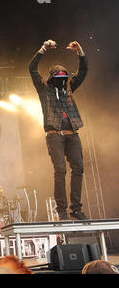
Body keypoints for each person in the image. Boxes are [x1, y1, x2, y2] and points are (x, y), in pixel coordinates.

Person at [29, 40, 88, 221]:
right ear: (52, 77)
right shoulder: (44, 89)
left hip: (72, 133)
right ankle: (62, 211)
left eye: (64, 77)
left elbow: (83, 71)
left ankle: (76, 209)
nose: (62, 81)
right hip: (54, 135)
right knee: (60, 170)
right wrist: (43, 49)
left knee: (78, 168)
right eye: (59, 78)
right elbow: (32, 69)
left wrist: (80, 52)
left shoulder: (69, 87)